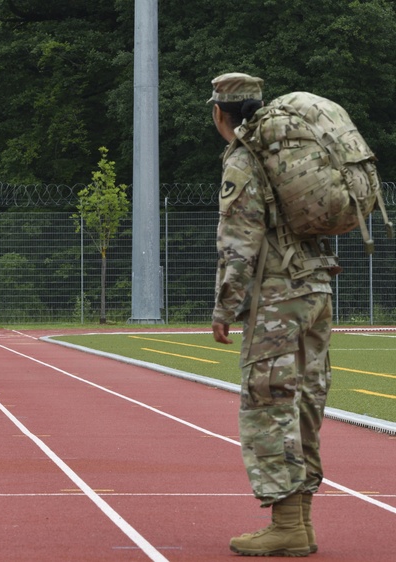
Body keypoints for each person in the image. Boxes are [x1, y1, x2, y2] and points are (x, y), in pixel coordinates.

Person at [209, 72, 334, 557]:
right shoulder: (291, 155)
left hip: (278, 297)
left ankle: (286, 523)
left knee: (268, 403)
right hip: (316, 288)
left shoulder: (246, 158)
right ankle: (299, 523)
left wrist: (224, 305)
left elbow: (240, 244)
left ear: (220, 113)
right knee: (304, 398)